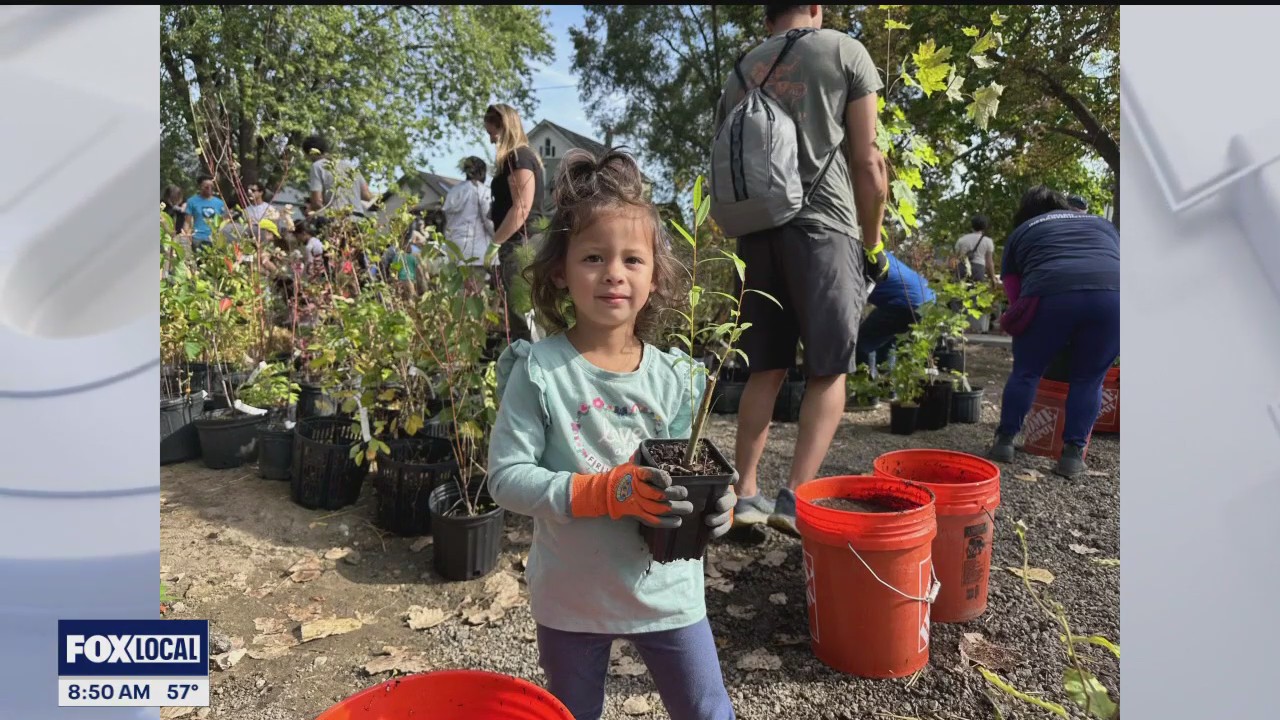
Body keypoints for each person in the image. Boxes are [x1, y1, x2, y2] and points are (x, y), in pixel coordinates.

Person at [487, 148, 737, 720]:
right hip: (574, 595)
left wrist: (717, 508)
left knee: (706, 710)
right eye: (594, 257)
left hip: (667, 590)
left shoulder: (677, 378)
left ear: (655, 275)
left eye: (632, 259)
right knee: (572, 711)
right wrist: (604, 491)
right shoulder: (540, 371)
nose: (614, 274)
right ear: (560, 270)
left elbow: (692, 472)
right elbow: (505, 477)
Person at [714, 3, 887, 536]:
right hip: (824, 229)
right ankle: (795, 498)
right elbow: (868, 163)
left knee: (763, 368)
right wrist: (872, 242)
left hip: (756, 234)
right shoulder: (845, 51)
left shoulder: (740, 69)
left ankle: (744, 494)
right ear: (816, 7)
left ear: (768, 16)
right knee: (828, 367)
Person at [986, 185, 1120, 478]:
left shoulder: (1024, 230)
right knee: (1089, 379)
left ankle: (1005, 441)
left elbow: (1014, 289)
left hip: (1051, 295)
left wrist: (1028, 323)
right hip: (1114, 298)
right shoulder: (1102, 224)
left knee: (1027, 371)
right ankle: (1072, 456)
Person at [482, 103, 546, 342]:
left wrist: (495, 243)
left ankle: (531, 371)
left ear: (504, 128)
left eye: (492, 133)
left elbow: (522, 207)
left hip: (522, 243)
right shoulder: (520, 158)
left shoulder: (518, 157)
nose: (491, 140)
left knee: (524, 316)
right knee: (524, 314)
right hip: (522, 242)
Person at [854, 249, 936, 378]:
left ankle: (867, 387)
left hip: (905, 301)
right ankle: (889, 387)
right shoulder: (878, 253)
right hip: (927, 299)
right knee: (888, 341)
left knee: (864, 341)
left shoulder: (856, 260)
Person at [442, 156, 496, 280]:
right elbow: (489, 221)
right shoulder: (482, 191)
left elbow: (446, 220)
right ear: (482, 172)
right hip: (475, 253)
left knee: (460, 292)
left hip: (454, 250)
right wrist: (499, 238)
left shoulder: (453, 191)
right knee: (475, 292)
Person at [302, 134, 374, 220]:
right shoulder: (349, 166)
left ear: (310, 153)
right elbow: (367, 196)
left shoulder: (317, 166)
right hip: (359, 221)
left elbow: (317, 202)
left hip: (338, 221)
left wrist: (311, 209)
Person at [184, 174, 230, 250]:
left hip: (215, 239)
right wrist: (186, 236)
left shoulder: (220, 203)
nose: (209, 188)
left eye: (211, 186)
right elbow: (187, 222)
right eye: (206, 186)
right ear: (200, 187)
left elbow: (226, 221)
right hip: (197, 238)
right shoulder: (192, 201)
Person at [953, 214, 997, 284]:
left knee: (960, 292)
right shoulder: (988, 241)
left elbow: (955, 259)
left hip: (962, 269)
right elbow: (989, 263)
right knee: (976, 292)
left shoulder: (962, 239)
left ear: (972, 225)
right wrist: (993, 278)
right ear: (984, 227)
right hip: (978, 270)